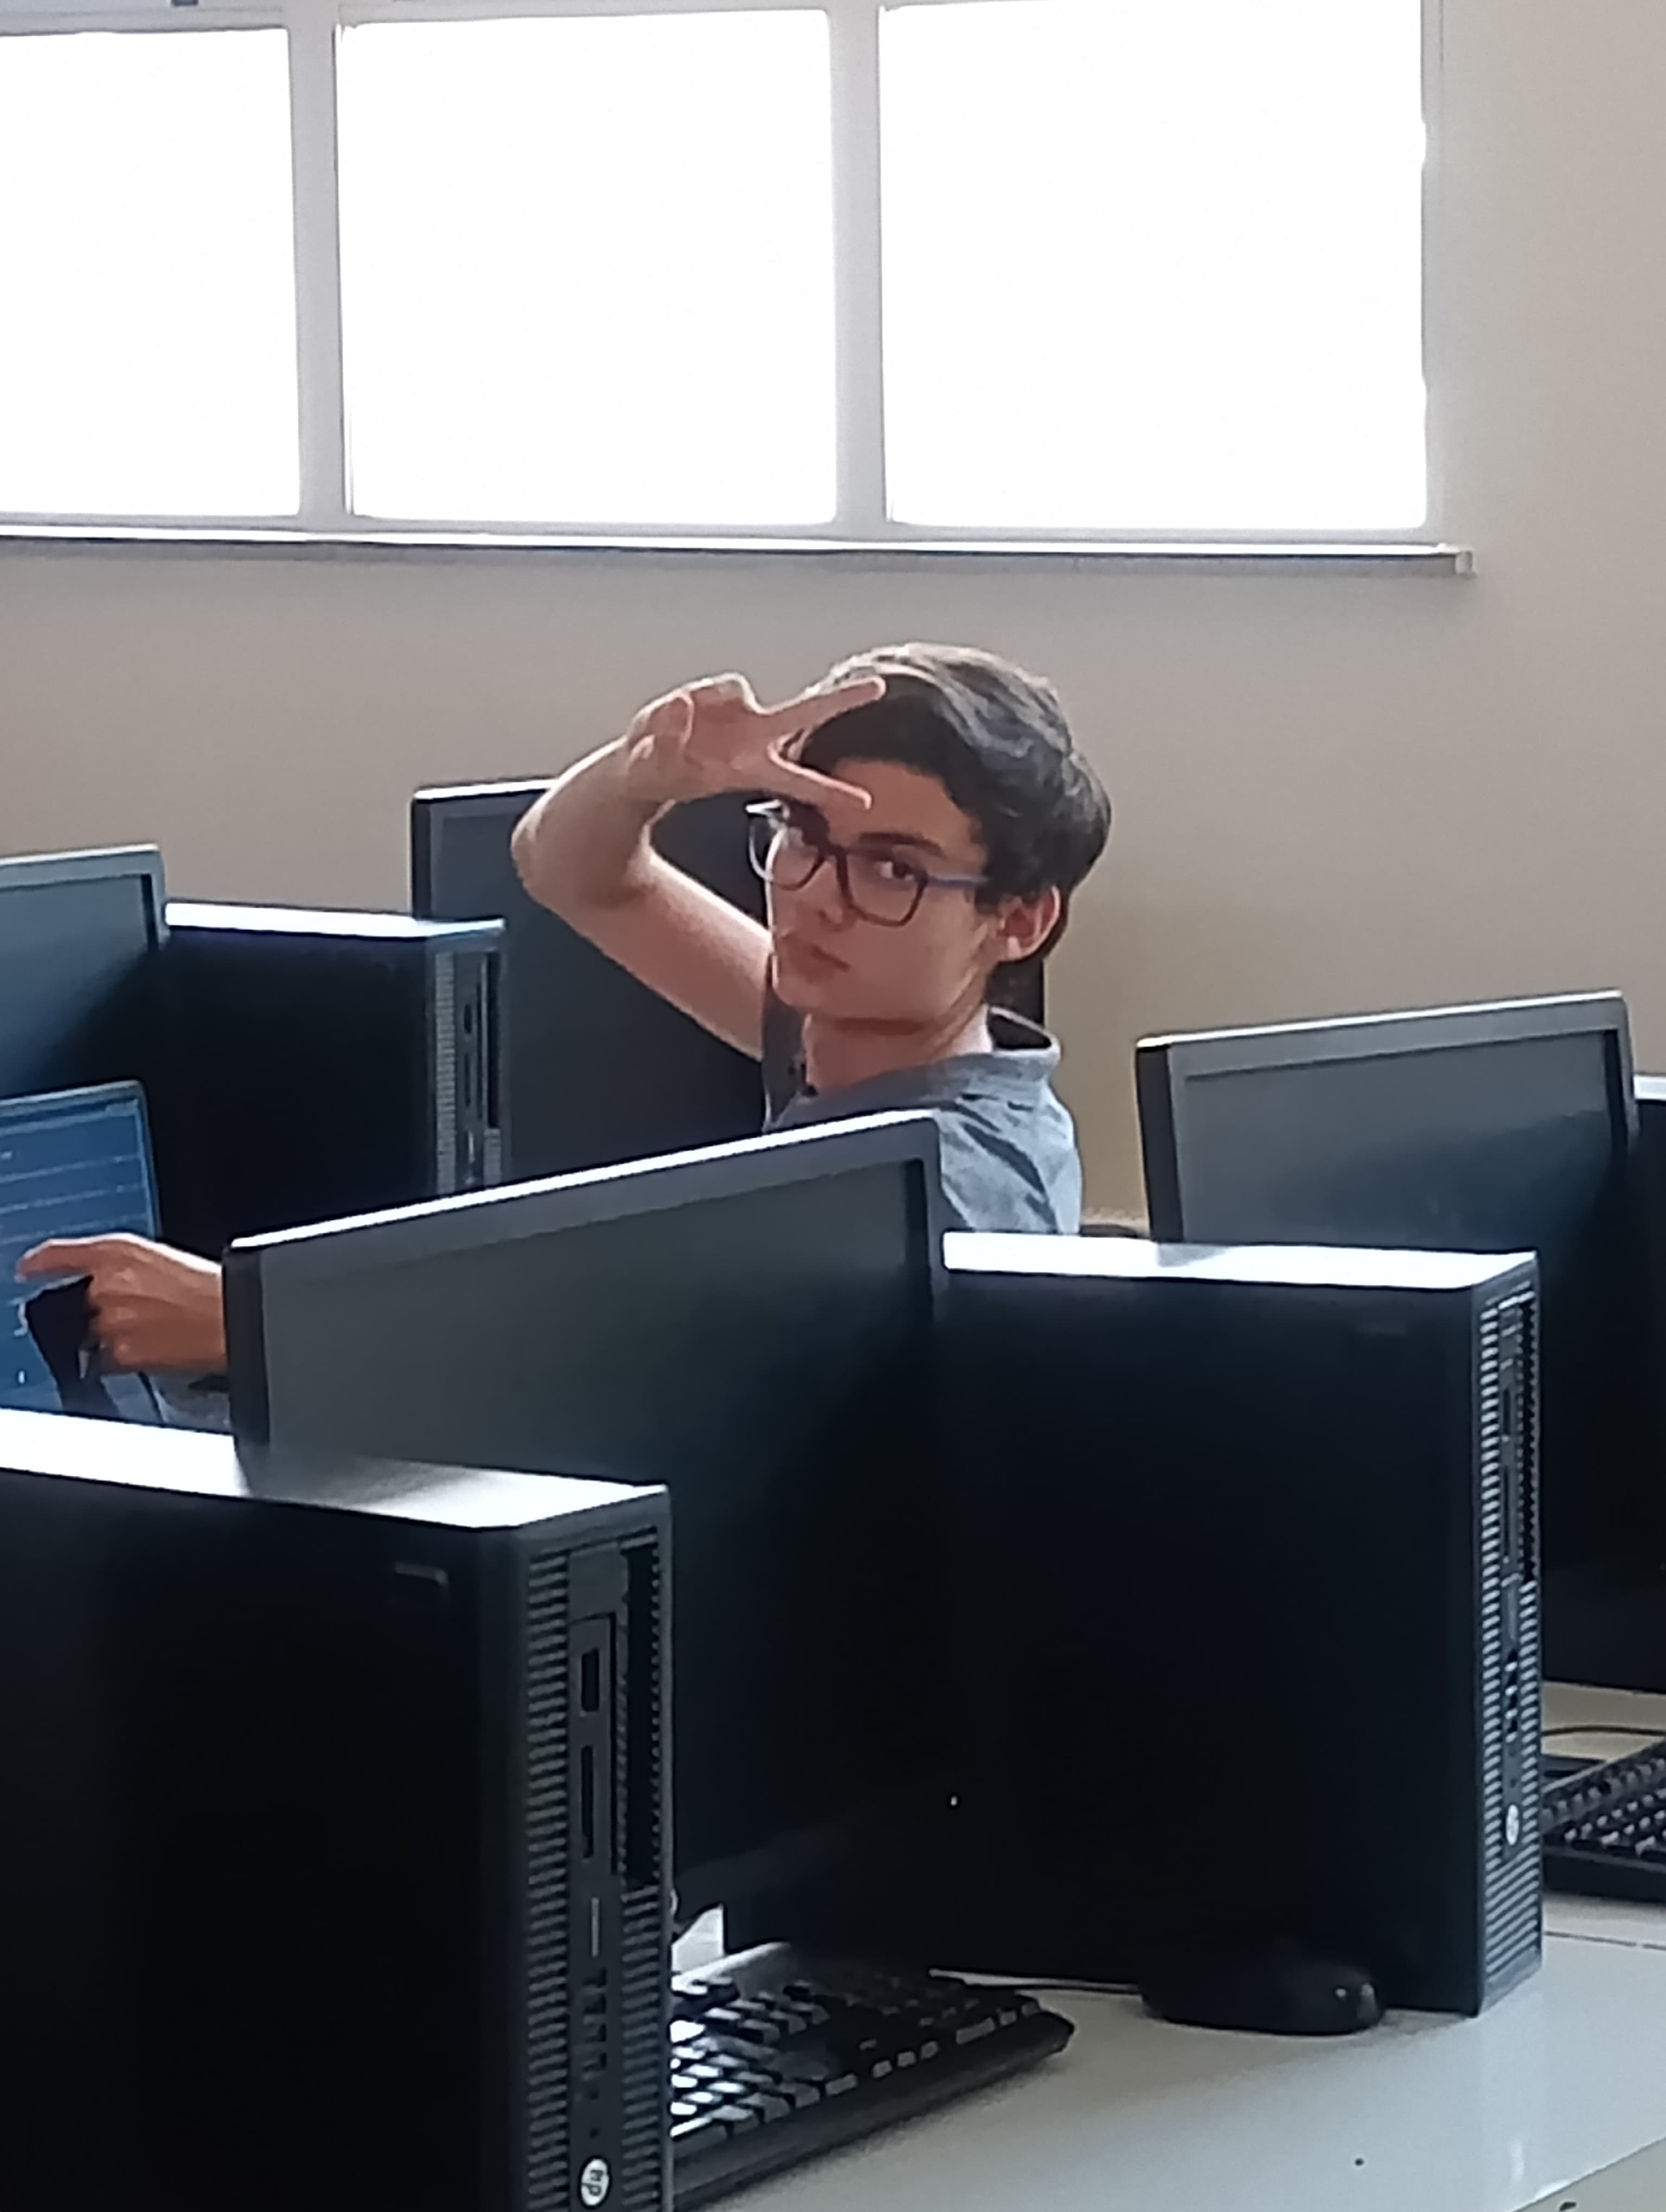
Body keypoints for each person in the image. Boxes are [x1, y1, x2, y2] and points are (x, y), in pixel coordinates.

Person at [15, 642, 1110, 1373]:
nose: (818, 897)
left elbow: (615, 1360)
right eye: (802, 835)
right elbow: (575, 870)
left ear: (1018, 920)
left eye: (894, 870)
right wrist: (646, 776)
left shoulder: (944, 1183)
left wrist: (252, 1328)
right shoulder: (855, 1039)